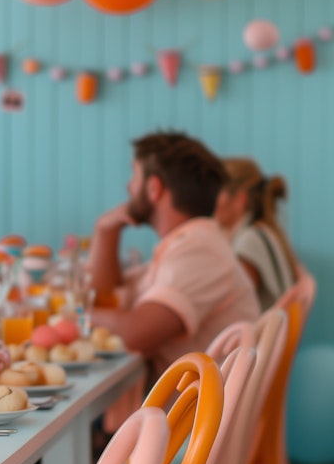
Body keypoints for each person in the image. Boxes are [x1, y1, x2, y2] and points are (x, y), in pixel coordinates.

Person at [87, 131, 260, 378]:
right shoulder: (184, 246)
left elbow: (134, 333)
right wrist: (105, 231)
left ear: (153, 188)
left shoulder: (200, 252)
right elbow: (104, 297)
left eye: (134, 175)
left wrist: (73, 314)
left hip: (187, 414)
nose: (128, 186)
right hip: (179, 409)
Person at [214, 157, 299, 311]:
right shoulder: (261, 231)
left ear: (239, 199)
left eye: (215, 193)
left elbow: (230, 305)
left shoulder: (249, 242)